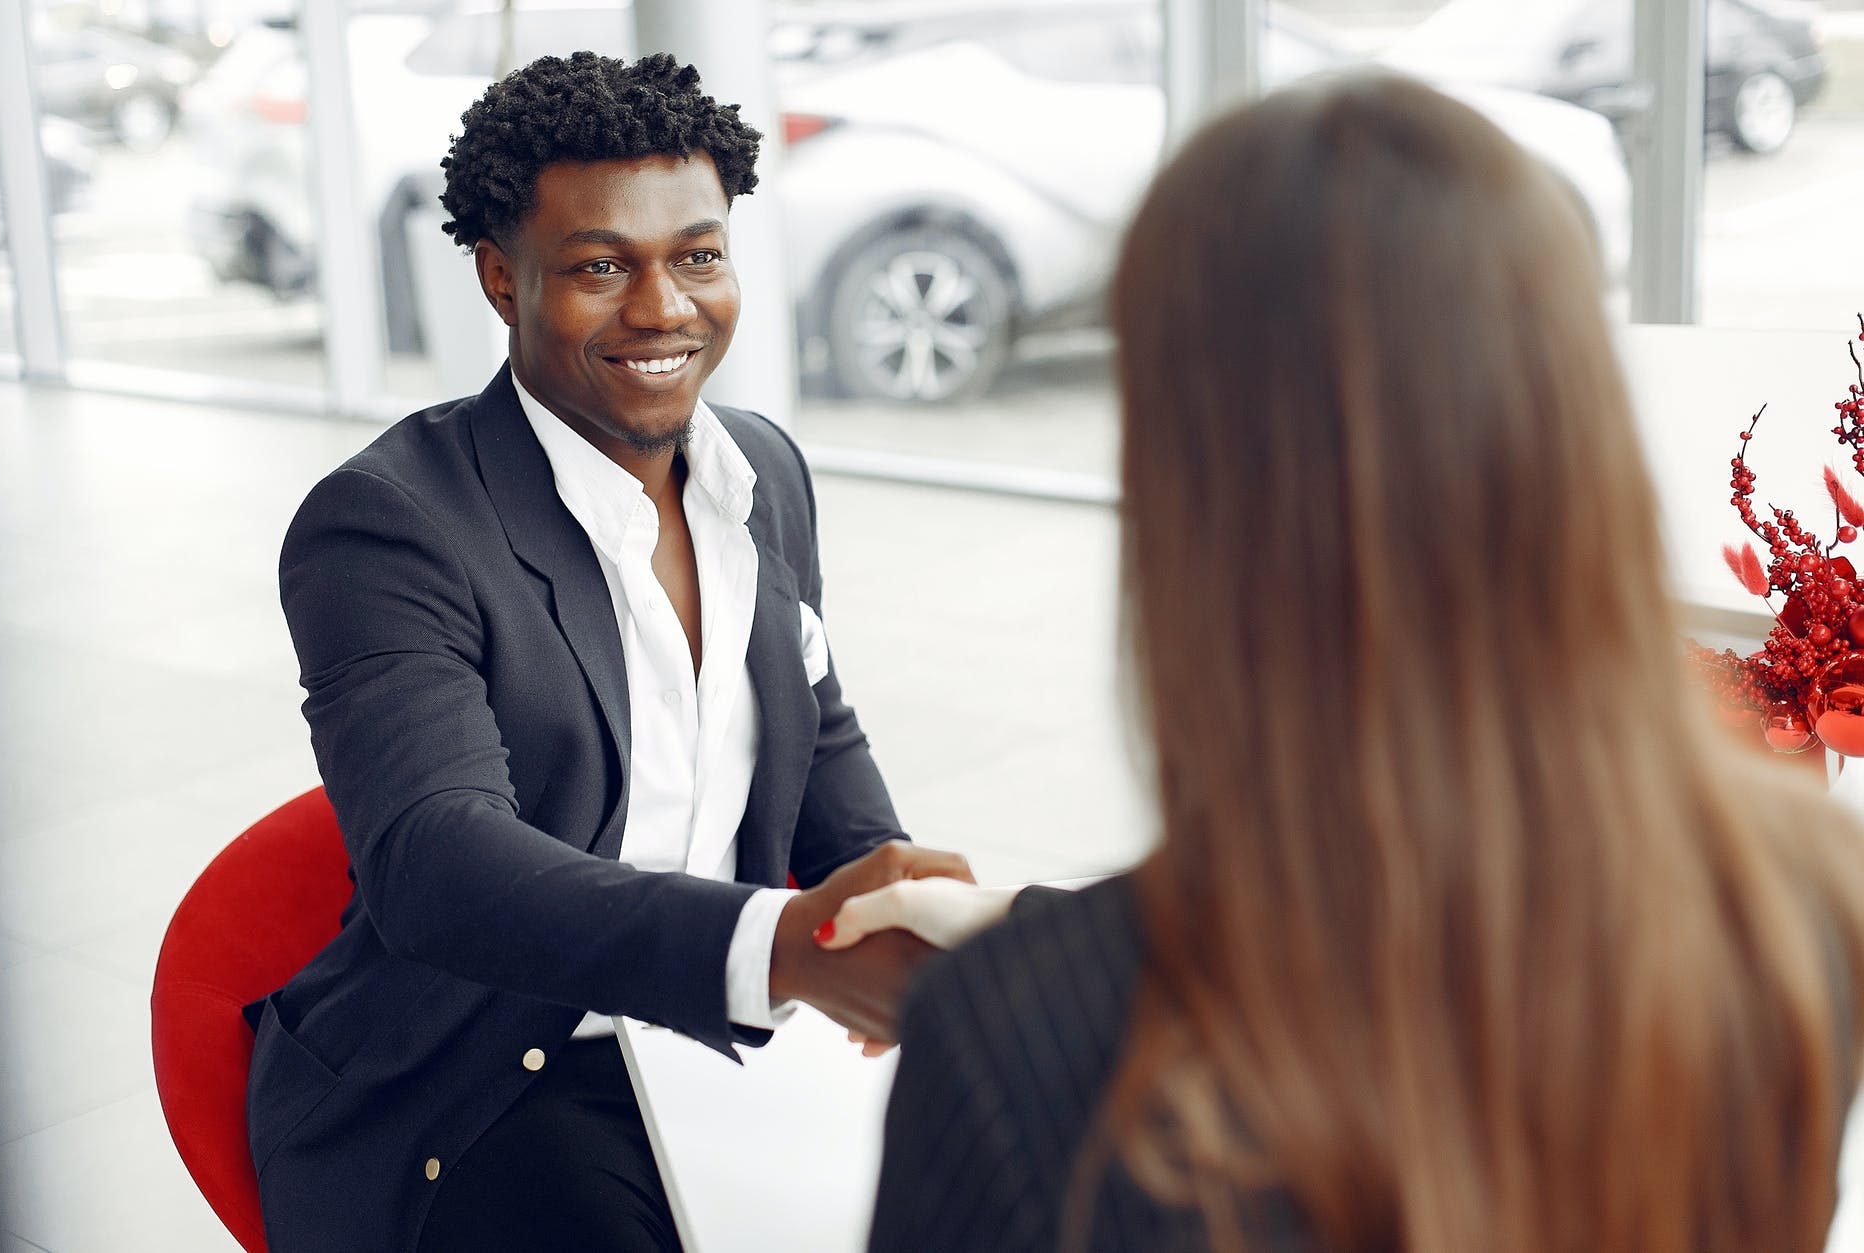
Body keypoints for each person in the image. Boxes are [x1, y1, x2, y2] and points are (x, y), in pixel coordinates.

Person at [826, 72, 1864, 1253]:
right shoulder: (1797, 902)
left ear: (1190, 500)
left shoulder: (1015, 1052)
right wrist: (1029, 924)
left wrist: (1044, 958)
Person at [245, 52, 971, 1253]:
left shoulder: (761, 470)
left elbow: (818, 740)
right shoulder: (386, 523)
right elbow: (436, 861)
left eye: (697, 255)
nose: (662, 307)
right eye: (599, 266)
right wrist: (777, 946)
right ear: (500, 277)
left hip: (724, 1046)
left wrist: (907, 913)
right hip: (491, 1074)